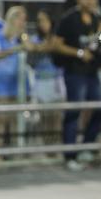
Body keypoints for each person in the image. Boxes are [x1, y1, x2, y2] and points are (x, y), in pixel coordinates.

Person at [53, 0, 101, 171]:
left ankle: (86, 147)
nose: (91, 1)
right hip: (74, 73)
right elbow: (56, 44)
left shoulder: (97, 20)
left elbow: (99, 49)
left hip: (92, 73)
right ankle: (70, 156)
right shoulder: (69, 18)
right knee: (74, 112)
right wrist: (77, 53)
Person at [0, 6, 30, 148]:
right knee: (0, 118)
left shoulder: (22, 38)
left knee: (14, 119)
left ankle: (14, 152)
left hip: (18, 83)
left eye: (25, 20)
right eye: (21, 19)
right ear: (12, 19)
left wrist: (24, 42)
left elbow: (32, 49)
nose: (23, 23)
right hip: (0, 84)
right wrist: (16, 49)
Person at [28, 10, 64, 144]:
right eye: (39, 21)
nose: (42, 24)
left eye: (44, 20)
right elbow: (30, 61)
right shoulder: (34, 40)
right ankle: (46, 143)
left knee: (56, 115)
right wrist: (37, 49)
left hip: (57, 81)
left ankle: (56, 143)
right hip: (41, 82)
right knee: (44, 116)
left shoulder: (58, 38)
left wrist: (41, 48)